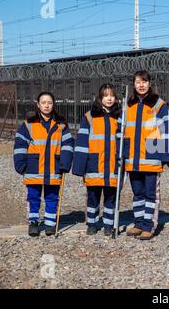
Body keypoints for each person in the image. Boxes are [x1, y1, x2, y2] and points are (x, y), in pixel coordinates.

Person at [13, 91, 74, 237]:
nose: (47, 106)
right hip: (33, 167)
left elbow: (68, 145)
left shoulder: (61, 126)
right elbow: (20, 144)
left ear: (53, 105)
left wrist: (65, 162)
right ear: (38, 105)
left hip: (54, 167)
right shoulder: (29, 124)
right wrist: (20, 164)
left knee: (52, 196)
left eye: (50, 103)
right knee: (33, 196)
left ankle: (50, 223)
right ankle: (33, 222)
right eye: (44, 103)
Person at [123, 70, 169, 240]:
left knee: (150, 194)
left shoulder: (159, 105)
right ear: (134, 84)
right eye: (138, 82)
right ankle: (138, 223)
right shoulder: (128, 104)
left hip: (152, 158)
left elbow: (166, 132)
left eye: (144, 81)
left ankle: (149, 225)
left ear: (149, 83)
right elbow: (123, 131)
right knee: (137, 194)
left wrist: (166, 157)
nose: (141, 85)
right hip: (133, 158)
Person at [72, 83, 122, 236]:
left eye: (112, 95)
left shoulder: (119, 117)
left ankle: (108, 224)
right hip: (94, 165)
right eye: (105, 95)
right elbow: (81, 143)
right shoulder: (89, 117)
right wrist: (80, 167)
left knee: (111, 197)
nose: (109, 98)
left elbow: (123, 141)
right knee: (92, 196)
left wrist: (123, 160)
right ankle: (92, 223)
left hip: (113, 165)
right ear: (100, 98)